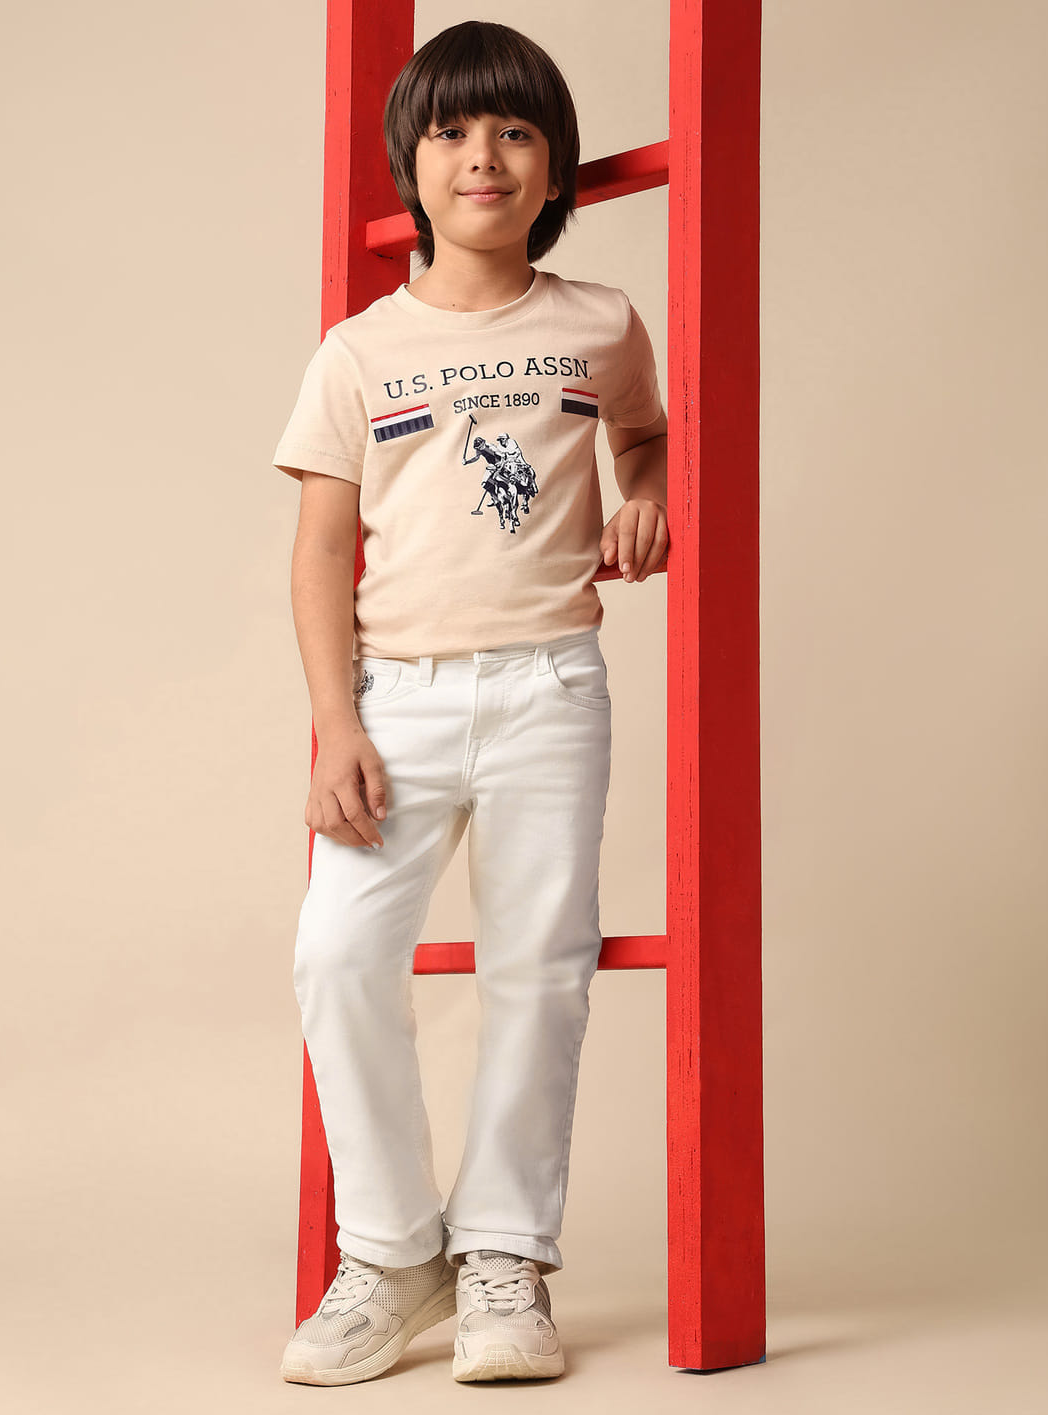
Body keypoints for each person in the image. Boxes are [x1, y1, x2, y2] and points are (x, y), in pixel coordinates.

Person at [270, 19, 668, 1387]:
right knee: (337, 956)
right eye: (450, 132)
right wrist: (337, 725)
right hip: (396, 699)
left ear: (553, 167)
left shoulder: (600, 322)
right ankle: (391, 1252)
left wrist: (645, 493)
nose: (481, 157)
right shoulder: (358, 352)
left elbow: (645, 436)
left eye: (513, 132)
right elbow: (320, 552)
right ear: (412, 164)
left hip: (550, 686)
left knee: (539, 966)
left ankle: (504, 1255)